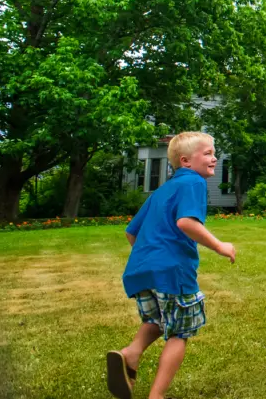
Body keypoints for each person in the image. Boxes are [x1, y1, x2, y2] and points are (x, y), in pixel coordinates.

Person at [106, 132, 237, 399]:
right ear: (186, 161)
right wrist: (220, 246)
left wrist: (152, 259)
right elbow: (187, 223)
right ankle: (157, 395)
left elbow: (131, 232)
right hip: (173, 271)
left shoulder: (162, 190)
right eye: (208, 153)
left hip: (140, 272)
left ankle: (130, 354)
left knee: (156, 319)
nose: (214, 158)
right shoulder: (194, 183)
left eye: (214, 152)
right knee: (180, 331)